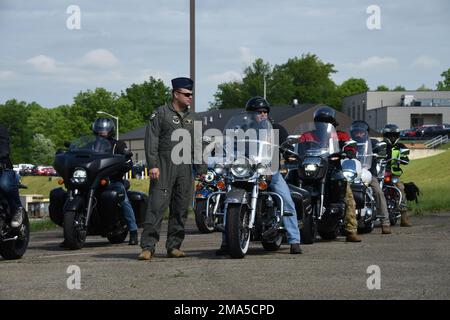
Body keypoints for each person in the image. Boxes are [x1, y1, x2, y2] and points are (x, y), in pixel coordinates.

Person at [216, 96, 303, 255]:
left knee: (286, 199)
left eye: (264, 111)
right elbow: (230, 145)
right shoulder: (241, 129)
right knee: (227, 200)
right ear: (249, 114)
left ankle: (294, 240)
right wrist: (222, 149)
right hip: (245, 169)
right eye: (258, 112)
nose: (262, 114)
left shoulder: (277, 129)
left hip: (269, 170)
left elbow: (285, 144)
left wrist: (285, 148)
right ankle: (226, 241)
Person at [138, 77, 206, 260]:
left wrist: (201, 169)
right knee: (156, 207)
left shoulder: (194, 118)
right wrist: (152, 165)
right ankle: (148, 247)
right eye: (186, 94)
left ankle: (174, 246)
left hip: (185, 168)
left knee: (181, 207)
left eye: (191, 94)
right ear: (175, 94)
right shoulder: (160, 114)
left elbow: (198, 145)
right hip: (164, 165)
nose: (190, 97)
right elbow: (151, 141)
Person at [312, 107, 362, 242]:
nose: (323, 124)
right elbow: (301, 146)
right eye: (321, 121)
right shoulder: (308, 135)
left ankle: (351, 230)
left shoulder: (341, 135)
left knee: (347, 194)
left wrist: (350, 150)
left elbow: (349, 145)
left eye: (327, 121)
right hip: (314, 169)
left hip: (333, 169)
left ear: (333, 123)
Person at [349, 120, 392, 234]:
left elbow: (381, 149)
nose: (359, 134)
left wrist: (379, 151)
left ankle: (385, 222)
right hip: (352, 174)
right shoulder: (349, 143)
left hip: (368, 172)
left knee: (378, 192)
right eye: (356, 132)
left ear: (366, 133)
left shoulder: (372, 142)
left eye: (361, 132)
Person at [382, 124, 412, 227]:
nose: (392, 137)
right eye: (390, 135)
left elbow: (405, 158)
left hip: (394, 175)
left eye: (394, 135)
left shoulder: (400, 146)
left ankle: (404, 217)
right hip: (381, 174)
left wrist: (404, 160)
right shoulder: (381, 145)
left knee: (401, 188)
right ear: (385, 135)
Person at [0, 124, 25, 228]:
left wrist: (2, 155)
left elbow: (3, 147)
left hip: (3, 167)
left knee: (4, 185)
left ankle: (17, 209)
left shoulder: (1, 129)